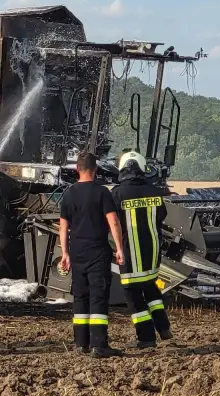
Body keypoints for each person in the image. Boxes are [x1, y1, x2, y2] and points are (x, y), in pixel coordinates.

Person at [56, 151, 125, 358]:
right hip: (98, 253)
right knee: (98, 297)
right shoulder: (103, 192)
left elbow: (63, 226)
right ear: (96, 170)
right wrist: (120, 248)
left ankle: (80, 343)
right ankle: (99, 345)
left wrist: (65, 253)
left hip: (77, 253)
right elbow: (113, 221)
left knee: (80, 298)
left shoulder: (69, 194)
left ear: (77, 169)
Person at [112, 151, 172, 348]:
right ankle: (163, 327)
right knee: (150, 286)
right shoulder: (155, 191)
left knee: (132, 294)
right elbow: (162, 215)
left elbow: (112, 221)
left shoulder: (118, 193)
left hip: (131, 253)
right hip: (152, 251)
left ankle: (146, 338)